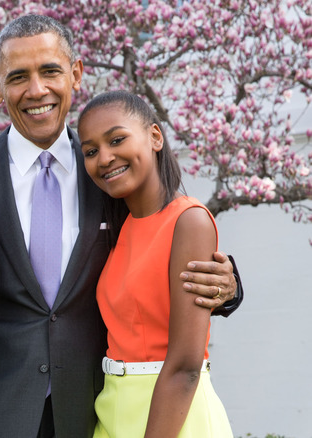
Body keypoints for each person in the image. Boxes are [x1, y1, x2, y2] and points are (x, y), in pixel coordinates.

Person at [0, 15, 242, 438]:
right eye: (18, 77)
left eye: (50, 71)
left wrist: (228, 287)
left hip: (94, 407)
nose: (37, 90)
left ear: (76, 74)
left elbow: (164, 236)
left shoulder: (114, 174)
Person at [78, 90, 233, 437]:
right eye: (90, 151)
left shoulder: (188, 221)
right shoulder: (120, 229)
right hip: (113, 409)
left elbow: (185, 367)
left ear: (155, 136)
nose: (104, 158)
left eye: (117, 139)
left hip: (173, 416)